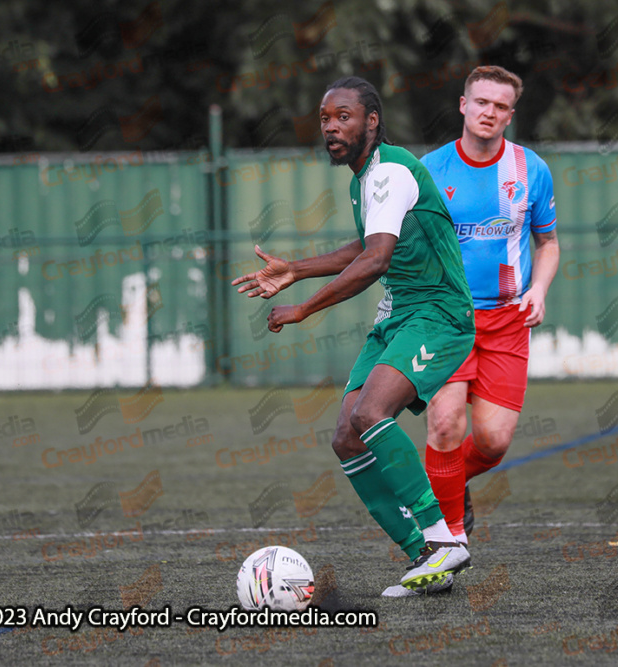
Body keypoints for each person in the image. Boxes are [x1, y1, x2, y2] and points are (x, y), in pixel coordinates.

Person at [232, 76, 476, 596]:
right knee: (346, 436)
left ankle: (445, 539)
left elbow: (375, 259)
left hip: (438, 313)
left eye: (343, 116)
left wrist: (303, 308)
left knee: (370, 415)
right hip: (400, 315)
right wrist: (296, 269)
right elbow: (367, 244)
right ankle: (424, 561)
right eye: (324, 119)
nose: (331, 127)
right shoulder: (361, 180)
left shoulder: (389, 170)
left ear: (371, 120)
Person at [420, 66, 560, 546]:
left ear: (510, 115)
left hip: (507, 321)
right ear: (464, 104)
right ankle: (449, 542)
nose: (489, 112)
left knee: (494, 442)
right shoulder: (430, 171)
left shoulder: (530, 170)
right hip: (447, 318)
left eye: (500, 107)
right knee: (444, 423)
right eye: (481, 102)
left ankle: (447, 482)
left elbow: (549, 243)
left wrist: (539, 289)